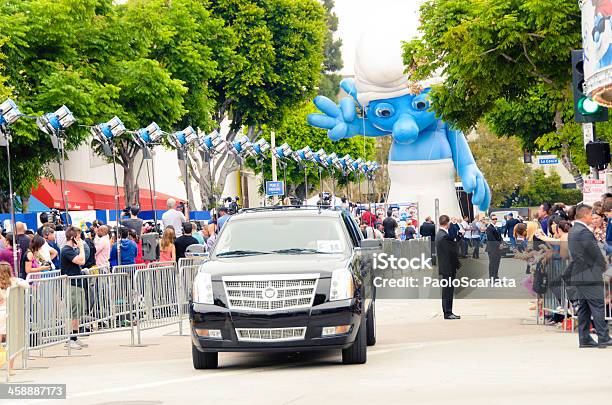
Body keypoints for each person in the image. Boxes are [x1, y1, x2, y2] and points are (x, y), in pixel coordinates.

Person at [567, 204, 612, 348]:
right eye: (591, 214)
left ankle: (584, 338)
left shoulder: (574, 230)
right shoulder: (583, 232)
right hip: (589, 274)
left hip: (579, 274)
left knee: (584, 308)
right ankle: (603, 337)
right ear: (585, 215)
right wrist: (603, 266)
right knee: (598, 305)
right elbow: (595, 252)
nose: (592, 218)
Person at [60, 226, 88, 350]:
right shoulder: (66, 250)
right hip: (71, 285)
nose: (80, 239)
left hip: (77, 283)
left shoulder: (71, 249)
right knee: (73, 312)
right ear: (73, 238)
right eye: (78, 237)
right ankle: (70, 339)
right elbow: (81, 261)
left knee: (78, 312)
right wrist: (81, 247)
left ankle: (75, 337)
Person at [0, 261, 28, 375]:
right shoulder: (14, 281)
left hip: (1, 312)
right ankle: (10, 368)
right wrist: (17, 279)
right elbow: (26, 284)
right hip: (10, 313)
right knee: (12, 342)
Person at [435, 215, 461, 320]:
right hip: (448, 267)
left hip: (445, 266)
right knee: (448, 291)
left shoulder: (440, 234)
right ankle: (448, 312)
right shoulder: (444, 236)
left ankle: (448, 311)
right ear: (447, 223)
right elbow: (451, 251)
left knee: (447, 290)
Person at [485, 214, 503, 279]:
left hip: (498, 249)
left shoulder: (497, 227)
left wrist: (501, 242)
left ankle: (496, 276)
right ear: (490, 220)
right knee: (492, 263)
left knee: (497, 263)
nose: (495, 220)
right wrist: (499, 244)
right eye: (493, 219)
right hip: (492, 248)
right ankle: (491, 277)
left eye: (496, 219)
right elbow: (491, 239)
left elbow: (500, 237)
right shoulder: (489, 228)